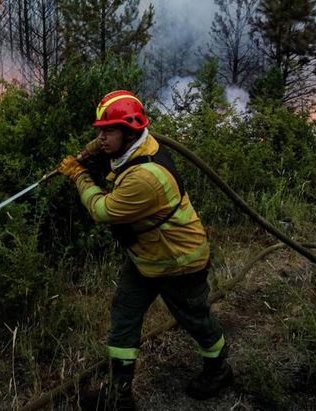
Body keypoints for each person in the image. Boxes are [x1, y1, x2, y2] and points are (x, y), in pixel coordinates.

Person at [57, 90, 233, 409]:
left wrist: (79, 175)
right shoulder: (135, 145)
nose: (101, 136)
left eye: (108, 131)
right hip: (145, 258)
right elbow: (106, 147)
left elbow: (102, 210)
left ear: (130, 132)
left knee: (195, 320)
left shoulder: (145, 178)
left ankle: (219, 369)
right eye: (100, 130)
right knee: (124, 314)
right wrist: (92, 149)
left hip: (179, 261)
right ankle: (118, 396)